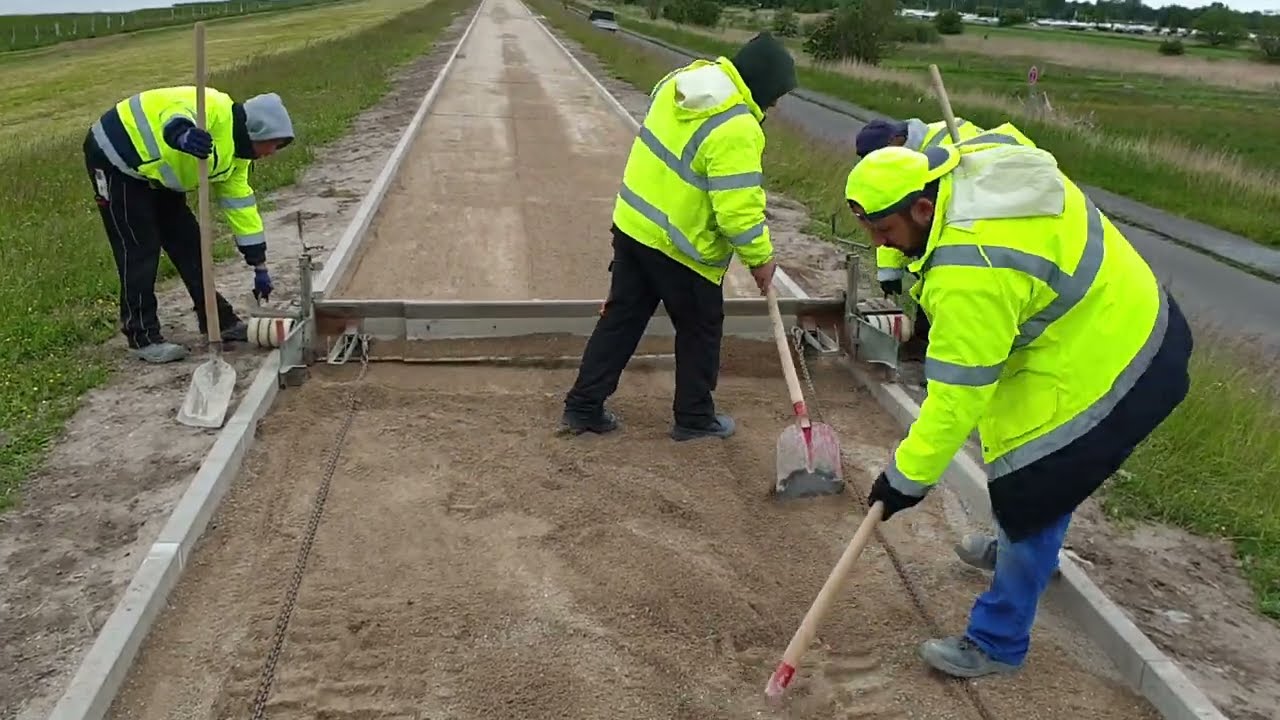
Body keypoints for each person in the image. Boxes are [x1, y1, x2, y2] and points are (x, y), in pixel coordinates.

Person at [845, 123, 1194, 679]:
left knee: (1035, 481)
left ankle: (998, 641)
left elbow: (955, 401)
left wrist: (903, 481)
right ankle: (1020, 550)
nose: (881, 244)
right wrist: (894, 262)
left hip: (1114, 358)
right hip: (1109, 309)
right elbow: (955, 134)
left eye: (886, 232)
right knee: (1037, 482)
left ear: (923, 209)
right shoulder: (969, 159)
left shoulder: (972, 273)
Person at [560, 32, 799, 441]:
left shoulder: (685, 82)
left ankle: (582, 407)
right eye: (775, 95)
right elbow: (737, 212)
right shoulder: (737, 126)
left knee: (621, 320)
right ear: (761, 85)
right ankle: (694, 418)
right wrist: (760, 259)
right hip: (682, 249)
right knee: (700, 330)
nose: (775, 105)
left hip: (635, 227)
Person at [84, 85, 295, 363]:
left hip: (158, 175)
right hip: (117, 158)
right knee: (139, 248)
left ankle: (218, 321)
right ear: (256, 133)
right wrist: (183, 135)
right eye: (273, 144)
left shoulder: (238, 160)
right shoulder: (213, 106)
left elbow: (242, 209)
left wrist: (259, 264)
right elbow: (174, 116)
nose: (273, 152)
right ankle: (142, 336)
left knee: (191, 245)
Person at [854, 117, 984, 361]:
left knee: (940, 278)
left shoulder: (930, 159)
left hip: (968, 219)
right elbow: (890, 218)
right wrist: (889, 271)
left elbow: (900, 216)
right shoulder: (911, 149)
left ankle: (931, 343)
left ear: (895, 142)